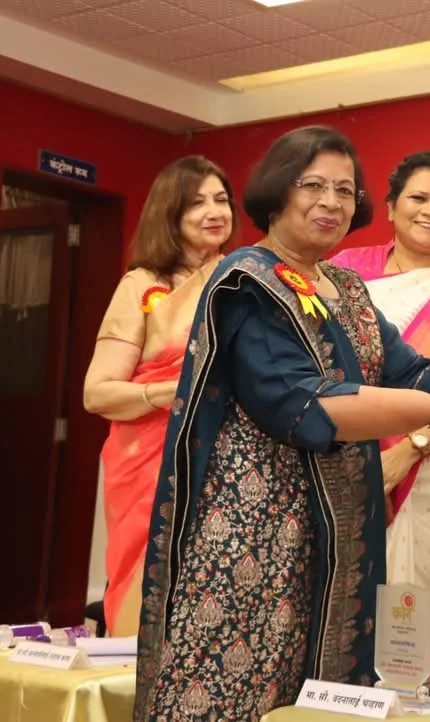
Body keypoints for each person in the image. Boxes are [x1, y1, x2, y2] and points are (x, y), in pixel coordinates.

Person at [133, 126, 430, 720]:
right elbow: (306, 406)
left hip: (335, 539)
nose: (332, 202)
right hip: (252, 542)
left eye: (344, 189)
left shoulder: (346, 287)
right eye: (313, 185)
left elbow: (410, 370)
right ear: (277, 191)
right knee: (238, 697)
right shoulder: (247, 281)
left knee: (317, 700)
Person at [331, 151, 430, 682]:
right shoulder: (343, 274)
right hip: (340, 458)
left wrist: (407, 451)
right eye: (418, 198)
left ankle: (408, 701)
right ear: (390, 207)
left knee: (414, 607)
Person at [83, 155, 237, 638]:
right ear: (170, 214)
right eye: (197, 203)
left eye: (221, 200)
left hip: (228, 461)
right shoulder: (142, 285)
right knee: (149, 590)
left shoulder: (241, 280)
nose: (214, 212)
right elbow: (97, 392)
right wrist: (172, 393)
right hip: (151, 461)